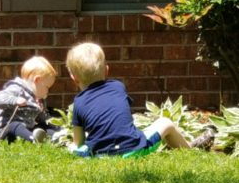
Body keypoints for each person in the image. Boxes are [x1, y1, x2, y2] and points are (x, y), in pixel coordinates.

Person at [65, 42, 214, 158]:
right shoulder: (118, 86)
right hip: (135, 149)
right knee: (166, 123)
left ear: (74, 79)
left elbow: (79, 142)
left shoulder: (78, 103)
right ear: (107, 70)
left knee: (76, 148)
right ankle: (189, 150)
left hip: (102, 156)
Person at [0, 56, 58, 143]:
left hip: (26, 129)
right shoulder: (17, 89)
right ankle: (33, 139)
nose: (48, 91)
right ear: (37, 80)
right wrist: (15, 100)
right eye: (47, 87)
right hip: (6, 131)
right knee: (14, 125)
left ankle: (55, 136)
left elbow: (42, 119)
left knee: (41, 126)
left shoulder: (36, 99)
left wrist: (55, 125)